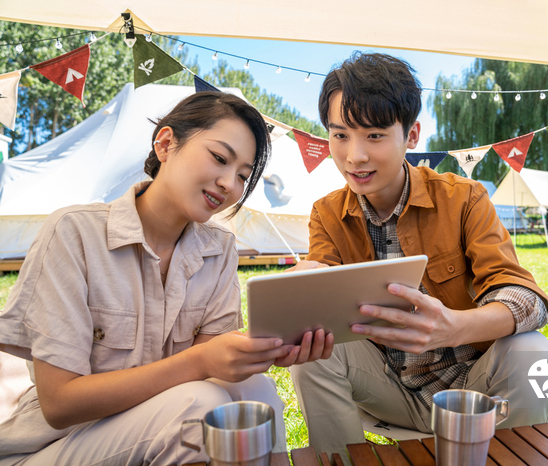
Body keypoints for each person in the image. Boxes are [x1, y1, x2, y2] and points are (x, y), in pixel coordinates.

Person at [0, 91, 332, 465]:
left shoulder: (218, 249)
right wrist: (201, 362)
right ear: (166, 144)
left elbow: (219, 367)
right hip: (53, 448)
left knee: (257, 390)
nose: (228, 184)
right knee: (201, 406)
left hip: (159, 428)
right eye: (219, 158)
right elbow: (59, 404)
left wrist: (270, 345)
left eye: (242, 175)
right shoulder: (74, 232)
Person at [288, 52, 548, 460]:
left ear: (411, 135)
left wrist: (454, 327)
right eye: (340, 135)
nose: (354, 156)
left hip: (473, 387)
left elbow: (526, 300)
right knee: (314, 349)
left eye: (374, 136)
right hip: (388, 388)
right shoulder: (326, 213)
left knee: (531, 350)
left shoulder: (464, 197)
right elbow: (323, 292)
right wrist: (306, 285)